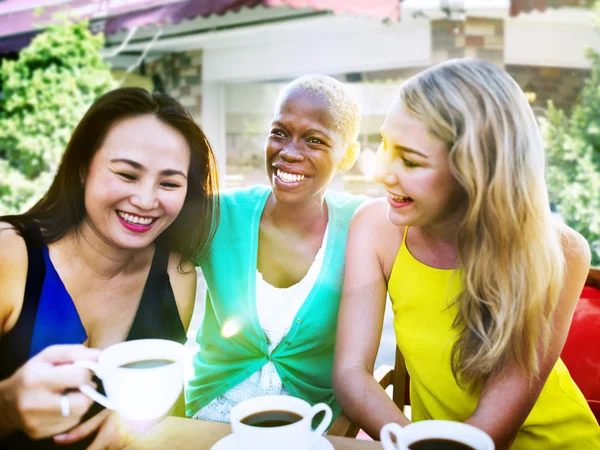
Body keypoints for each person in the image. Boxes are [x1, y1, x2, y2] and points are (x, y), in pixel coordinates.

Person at [333, 58, 600, 449]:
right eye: (385, 145)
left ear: (475, 171)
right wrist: (411, 442)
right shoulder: (374, 228)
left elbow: (493, 430)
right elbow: (351, 373)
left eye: (410, 160)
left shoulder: (561, 252)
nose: (381, 172)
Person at [0, 87, 219, 449]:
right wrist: (7, 406)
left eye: (169, 183)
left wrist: (146, 419)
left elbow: (170, 415)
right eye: (127, 175)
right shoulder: (10, 254)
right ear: (84, 167)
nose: (146, 200)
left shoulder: (176, 275)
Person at [186, 75, 364, 421]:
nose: (289, 152)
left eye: (314, 140)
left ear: (348, 155)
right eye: (279, 132)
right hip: (211, 417)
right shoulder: (220, 215)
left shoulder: (361, 225)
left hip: (310, 425)